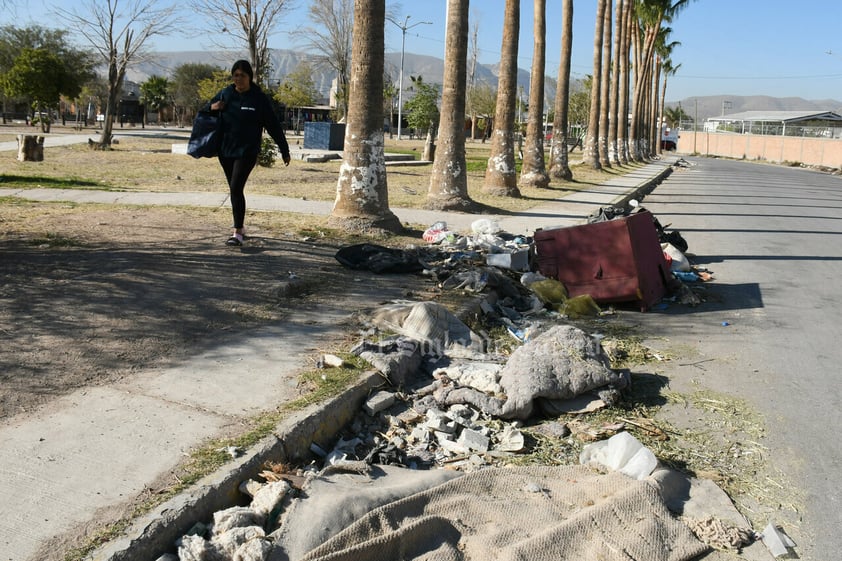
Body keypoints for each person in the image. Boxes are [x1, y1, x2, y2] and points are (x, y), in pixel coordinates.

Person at [208, 60, 291, 246]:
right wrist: (213, 108)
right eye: (235, 75)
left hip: (247, 151)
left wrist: (284, 149)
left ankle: (237, 232)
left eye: (242, 75)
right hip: (226, 150)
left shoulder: (258, 98)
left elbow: (273, 126)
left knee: (236, 188)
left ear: (249, 77)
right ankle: (241, 226)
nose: (238, 79)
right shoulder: (226, 93)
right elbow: (206, 110)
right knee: (234, 190)